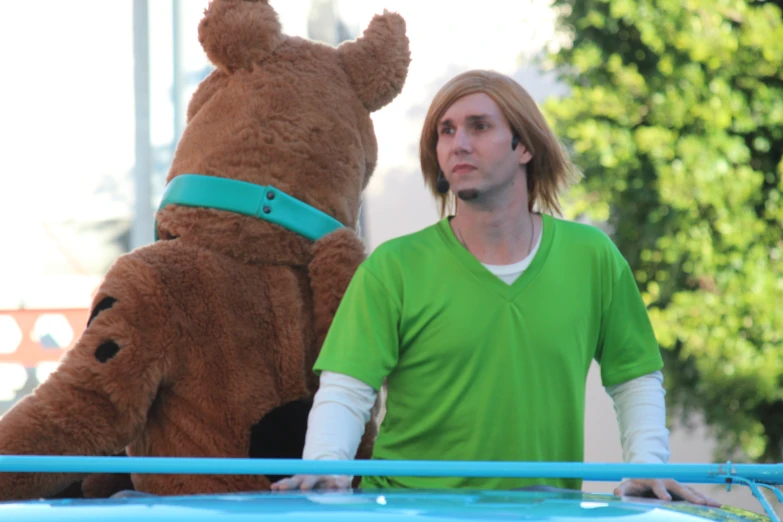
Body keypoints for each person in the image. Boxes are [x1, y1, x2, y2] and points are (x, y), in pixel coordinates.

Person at [272, 70, 718, 506]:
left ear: (523, 145)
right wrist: (327, 466)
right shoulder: (394, 267)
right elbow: (347, 390)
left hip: (547, 513)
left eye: (479, 126)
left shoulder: (593, 258)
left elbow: (635, 379)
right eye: (445, 132)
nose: (458, 143)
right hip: (410, 510)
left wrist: (645, 464)